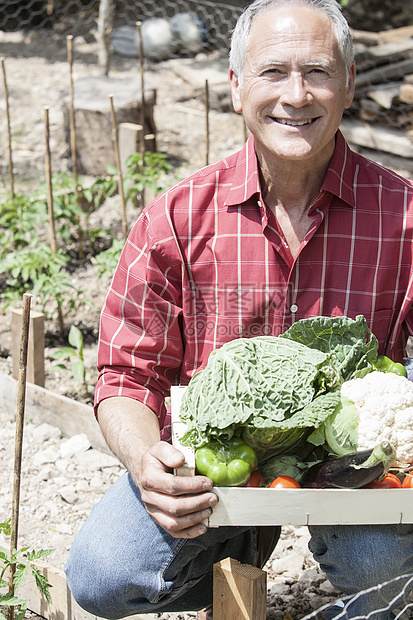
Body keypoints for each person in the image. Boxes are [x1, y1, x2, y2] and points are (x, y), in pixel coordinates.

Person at [65, 0, 413, 618]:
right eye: (272, 72)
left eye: (318, 72)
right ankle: (234, 542)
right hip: (217, 468)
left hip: (354, 473)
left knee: (383, 573)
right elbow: (125, 374)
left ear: (350, 85)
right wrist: (151, 464)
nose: (296, 95)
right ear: (235, 88)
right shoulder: (176, 219)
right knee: (102, 575)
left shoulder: (405, 217)